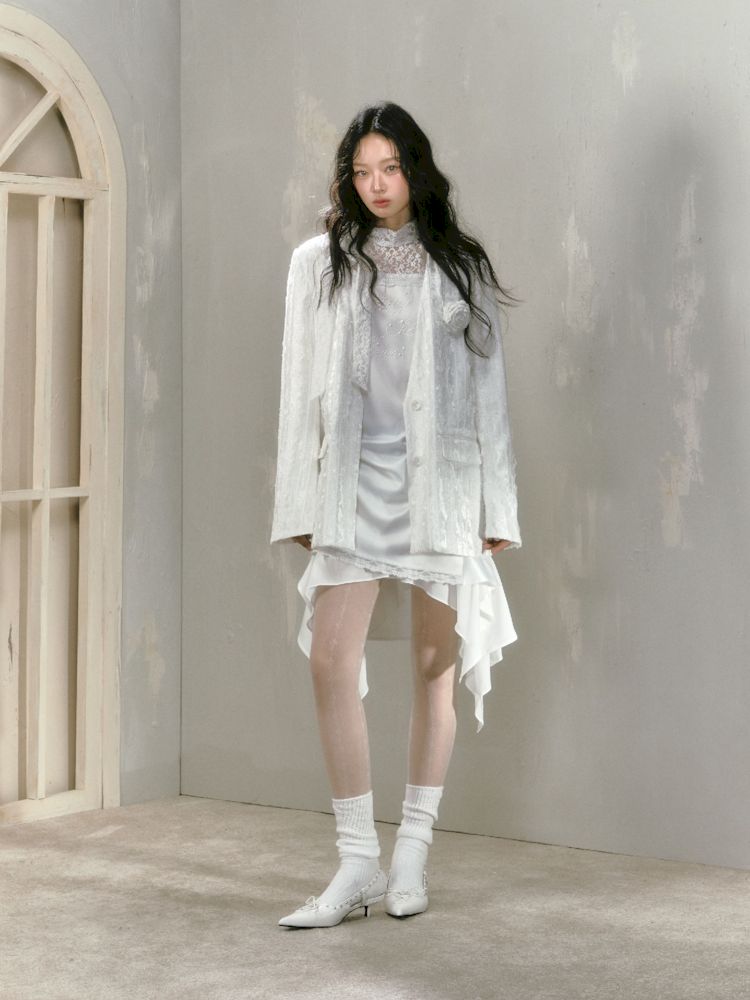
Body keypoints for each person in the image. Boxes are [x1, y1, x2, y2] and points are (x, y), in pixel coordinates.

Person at [270, 101, 522, 928]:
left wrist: (496, 504)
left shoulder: (460, 265)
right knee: (329, 659)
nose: (376, 185)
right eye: (361, 171)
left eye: (390, 168)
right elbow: (296, 386)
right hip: (351, 479)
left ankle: (412, 848)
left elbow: (488, 391)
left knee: (433, 666)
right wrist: (299, 499)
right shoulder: (318, 263)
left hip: (439, 483)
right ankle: (357, 862)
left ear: (415, 170)